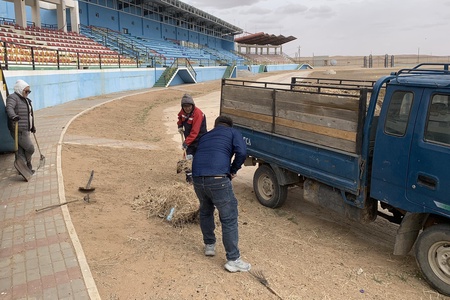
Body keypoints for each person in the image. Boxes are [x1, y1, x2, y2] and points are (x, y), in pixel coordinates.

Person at [191, 115, 250, 273]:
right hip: (218, 179)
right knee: (229, 217)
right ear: (229, 125)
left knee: (205, 210)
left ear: (215, 125)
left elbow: (198, 153)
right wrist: (233, 170)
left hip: (197, 178)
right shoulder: (232, 132)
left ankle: (209, 246)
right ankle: (233, 259)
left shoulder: (206, 136)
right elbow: (242, 152)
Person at [6, 79, 36, 173]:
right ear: (20, 89)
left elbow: (29, 114)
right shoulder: (13, 97)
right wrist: (13, 116)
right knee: (30, 148)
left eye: (29, 91)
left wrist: (32, 126)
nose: (28, 93)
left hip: (26, 129)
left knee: (21, 151)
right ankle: (27, 164)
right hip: (18, 129)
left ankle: (23, 170)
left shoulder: (25, 99)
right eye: (26, 91)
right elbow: (9, 108)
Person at [177, 93, 207, 184]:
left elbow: (195, 131)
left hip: (199, 138)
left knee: (198, 158)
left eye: (189, 106)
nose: (187, 108)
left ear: (192, 105)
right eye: (185, 106)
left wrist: (186, 142)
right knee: (188, 157)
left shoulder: (198, 114)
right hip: (189, 138)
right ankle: (189, 178)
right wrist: (180, 125)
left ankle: (200, 176)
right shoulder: (183, 112)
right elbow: (180, 117)